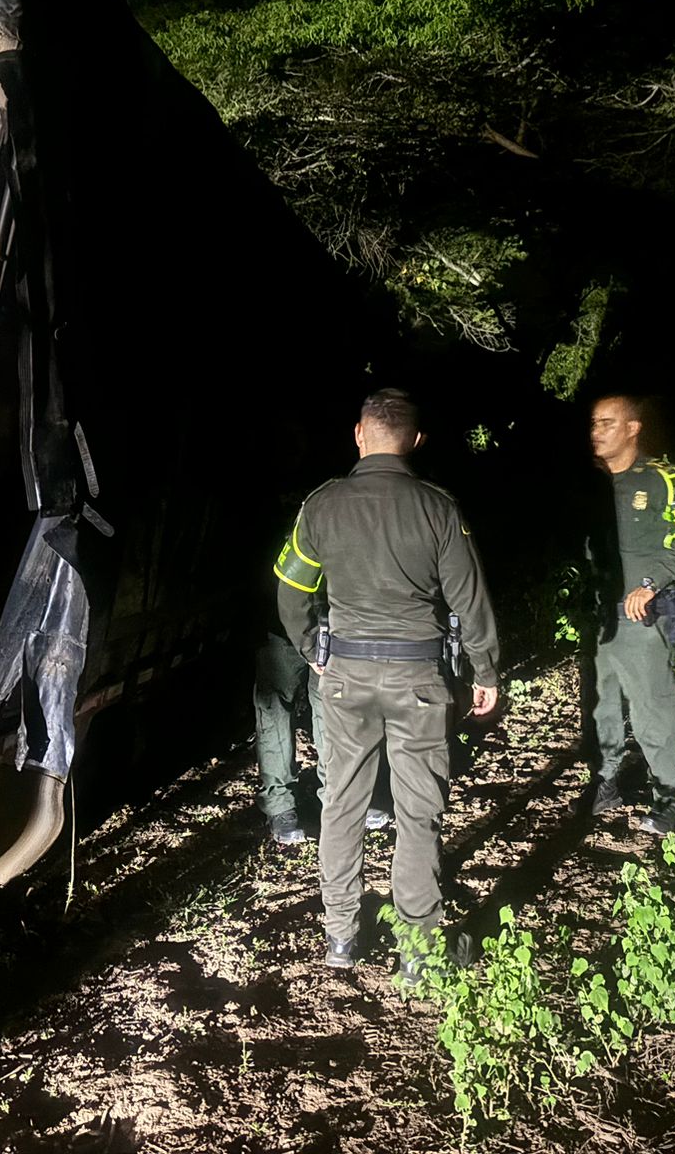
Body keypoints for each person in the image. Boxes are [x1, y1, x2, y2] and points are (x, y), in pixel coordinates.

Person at [274, 388, 499, 976]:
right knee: (417, 812)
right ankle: (419, 953)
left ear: (358, 434)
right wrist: (486, 670)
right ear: (416, 442)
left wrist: (309, 648)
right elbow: (469, 601)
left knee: (341, 805)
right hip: (420, 681)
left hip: (345, 677)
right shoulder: (438, 508)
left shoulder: (320, 507)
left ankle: (341, 937)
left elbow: (291, 592)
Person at [583, 394, 675, 834]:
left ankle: (670, 796)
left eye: (607, 423)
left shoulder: (660, 478)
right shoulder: (591, 483)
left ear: (633, 428)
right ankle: (606, 780)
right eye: (594, 424)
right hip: (598, 616)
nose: (597, 431)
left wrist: (651, 582)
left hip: (641, 616)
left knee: (652, 709)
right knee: (599, 705)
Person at [253, 607, 391, 844]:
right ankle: (279, 805)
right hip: (280, 622)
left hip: (331, 623)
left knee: (332, 707)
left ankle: (341, 797)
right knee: (275, 709)